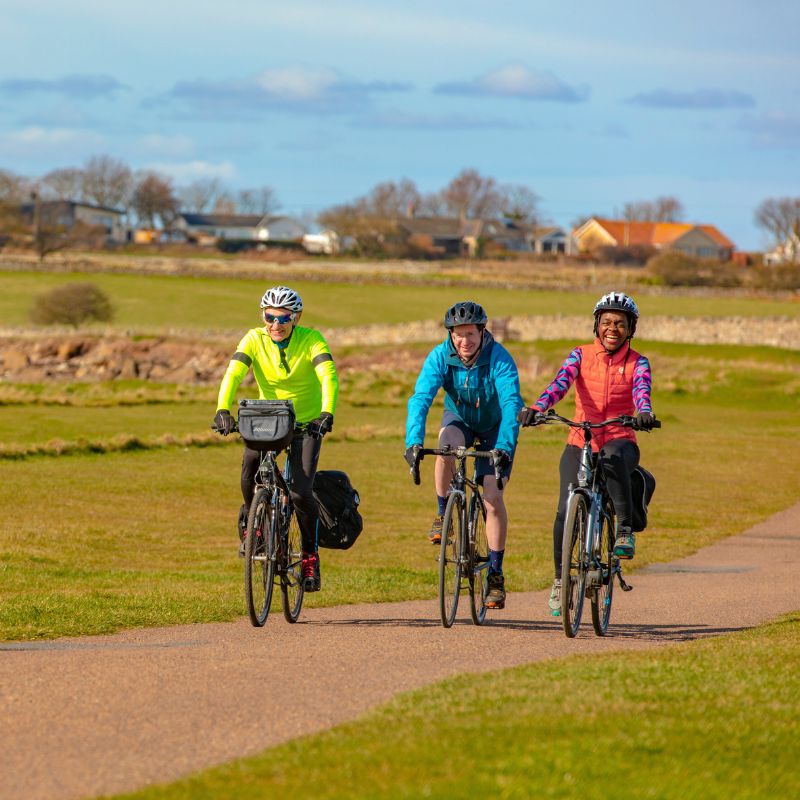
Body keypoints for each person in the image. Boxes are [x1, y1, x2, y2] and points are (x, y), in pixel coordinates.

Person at [517, 291, 655, 616]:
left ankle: (623, 530)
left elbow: (642, 391)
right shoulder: (579, 355)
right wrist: (538, 408)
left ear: (630, 329)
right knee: (565, 512)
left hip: (620, 438)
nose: (612, 328)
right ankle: (559, 582)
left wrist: (644, 412)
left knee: (610, 458)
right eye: (606, 322)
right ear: (596, 325)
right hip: (580, 438)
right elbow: (559, 384)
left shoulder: (638, 363)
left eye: (620, 324)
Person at [213, 285, 339, 592]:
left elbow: (328, 375)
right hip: (267, 416)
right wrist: (222, 409)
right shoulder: (254, 338)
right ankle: (252, 526)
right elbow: (233, 373)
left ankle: (309, 557)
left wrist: (327, 412)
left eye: (283, 318)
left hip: (307, 423)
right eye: (270, 317)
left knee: (299, 493)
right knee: (248, 470)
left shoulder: (312, 339)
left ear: (295, 318)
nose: (276, 324)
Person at [405, 301, 523, 610]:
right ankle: (444, 512)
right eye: (458, 335)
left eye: (470, 334)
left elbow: (512, 403)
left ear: (482, 332)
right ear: (451, 335)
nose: (464, 341)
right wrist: (413, 442)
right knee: (446, 447)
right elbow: (420, 398)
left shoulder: (499, 358)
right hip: (460, 420)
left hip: (496, 429)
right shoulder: (440, 357)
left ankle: (495, 576)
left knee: (492, 498)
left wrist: (505, 449)